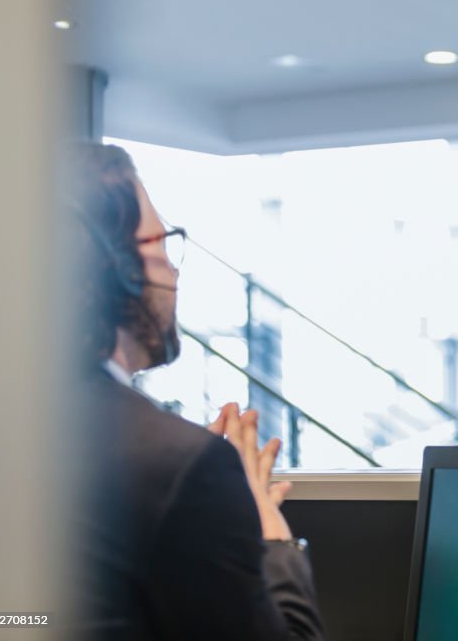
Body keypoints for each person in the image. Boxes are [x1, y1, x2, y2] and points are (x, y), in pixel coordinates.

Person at [73, 144, 325, 639]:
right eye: (163, 244)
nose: (175, 270)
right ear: (118, 268)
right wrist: (269, 532)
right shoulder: (177, 466)